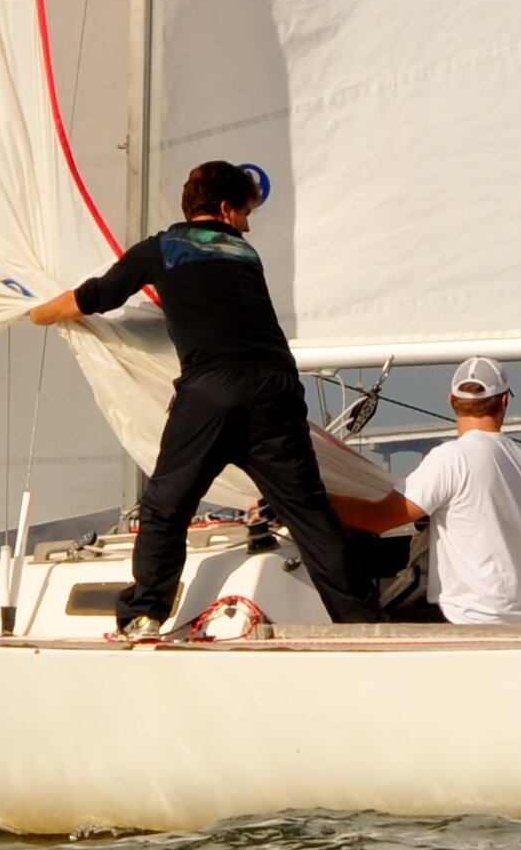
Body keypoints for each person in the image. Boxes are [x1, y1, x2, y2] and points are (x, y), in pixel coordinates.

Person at [31, 160, 381, 636]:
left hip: (213, 392)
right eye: (245, 212)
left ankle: (143, 614)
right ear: (223, 209)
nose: (248, 224)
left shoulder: (163, 248)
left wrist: (37, 312)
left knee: (167, 505)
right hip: (277, 390)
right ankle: (363, 623)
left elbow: (94, 297)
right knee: (309, 513)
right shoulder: (244, 255)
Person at [390, 356, 521, 625]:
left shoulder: (450, 458)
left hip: (469, 622)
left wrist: (316, 502)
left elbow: (380, 517)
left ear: (451, 401)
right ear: (504, 401)